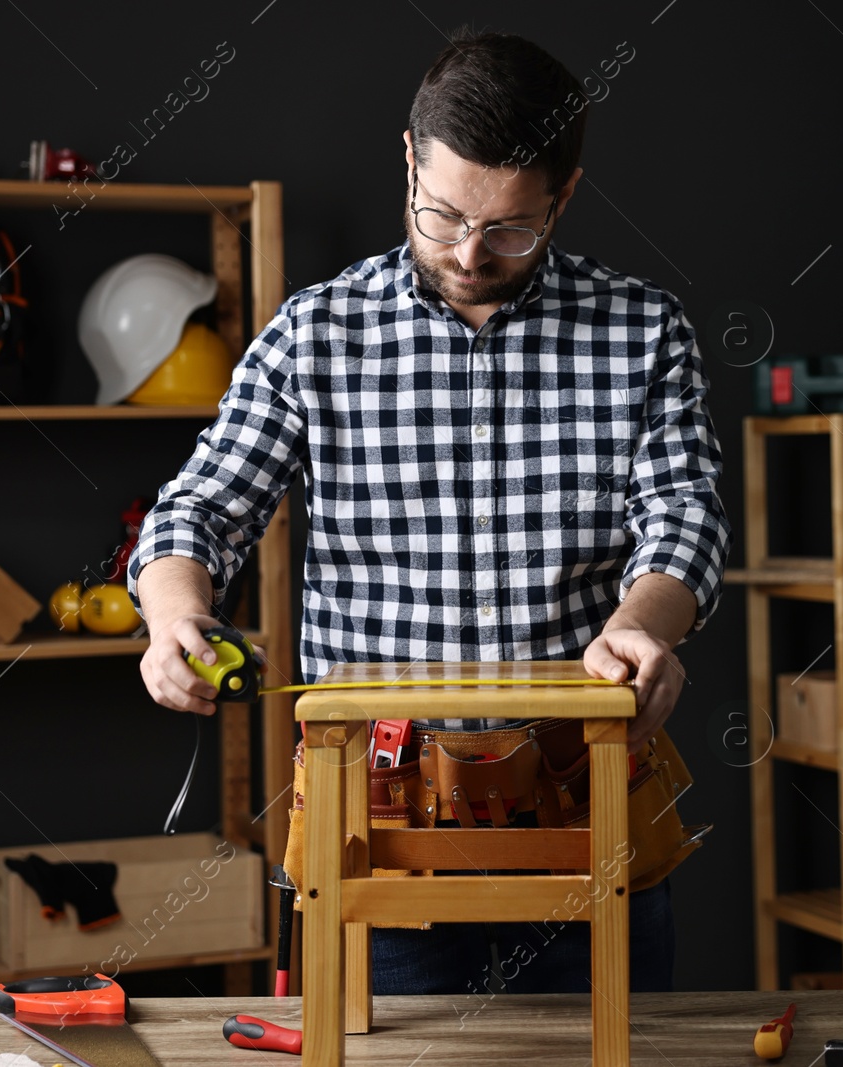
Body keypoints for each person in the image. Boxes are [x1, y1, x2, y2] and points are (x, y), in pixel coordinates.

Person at [128, 30, 729, 996]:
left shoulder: (642, 329)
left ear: (564, 195)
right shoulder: (315, 332)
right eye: (441, 212)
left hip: (583, 803)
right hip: (376, 821)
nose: (465, 252)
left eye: (509, 229)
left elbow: (684, 520)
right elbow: (195, 511)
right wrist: (173, 615)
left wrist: (640, 627)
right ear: (409, 157)